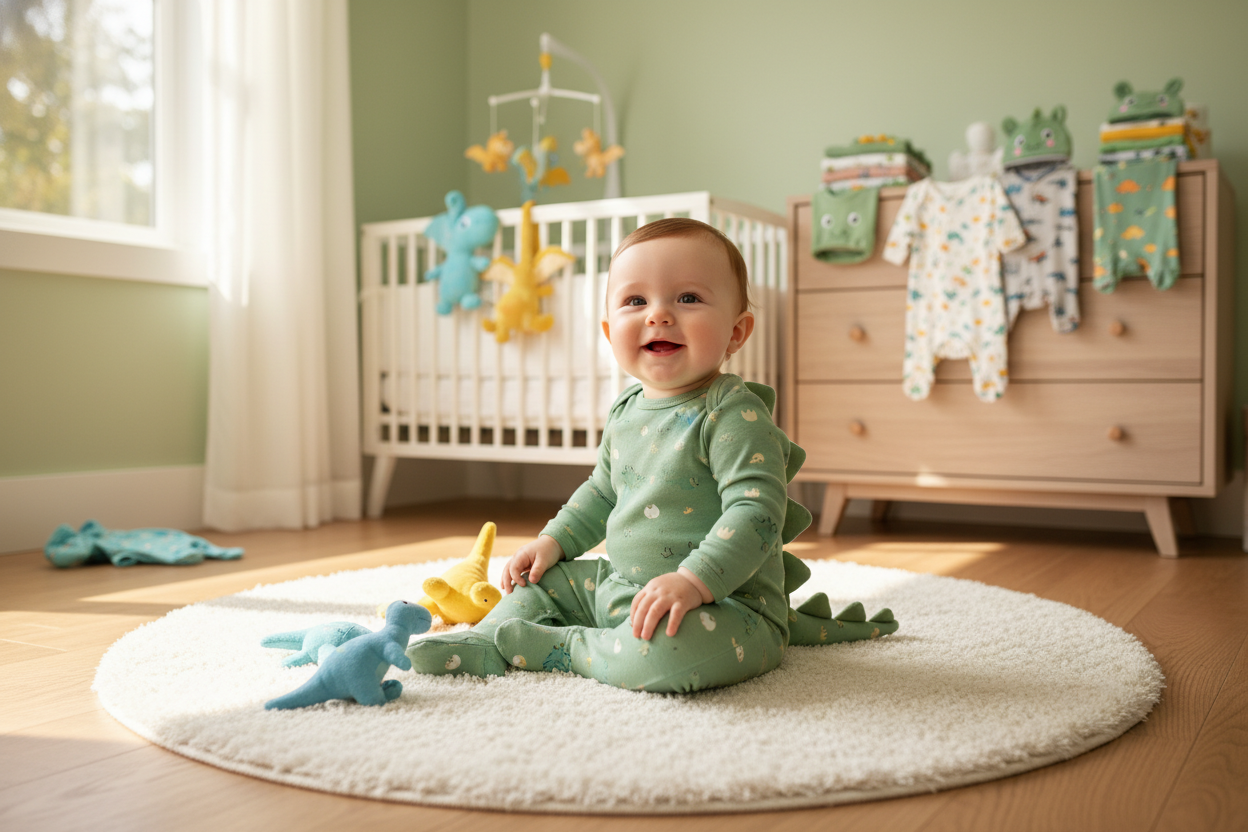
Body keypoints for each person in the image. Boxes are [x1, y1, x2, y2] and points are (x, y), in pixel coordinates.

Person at [406, 218, 897, 692]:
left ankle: (565, 649)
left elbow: (757, 512)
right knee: (537, 585)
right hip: (623, 585)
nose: (658, 314)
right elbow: (602, 492)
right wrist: (552, 542)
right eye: (636, 300)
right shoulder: (625, 409)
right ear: (608, 331)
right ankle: (485, 638)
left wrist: (694, 581)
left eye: (688, 298)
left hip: (727, 605)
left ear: (736, 332)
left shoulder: (731, 412)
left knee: (672, 653)